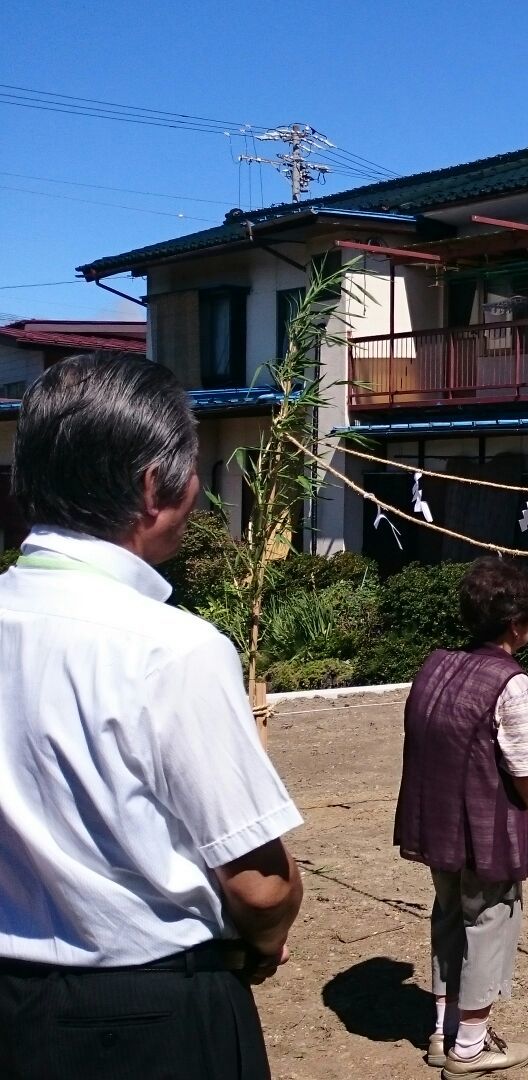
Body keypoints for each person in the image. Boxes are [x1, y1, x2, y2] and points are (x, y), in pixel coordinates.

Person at [0, 356, 303, 1080]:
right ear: (150, 486)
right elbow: (258, 881)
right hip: (149, 1011)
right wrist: (264, 941)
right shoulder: (172, 647)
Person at [393, 557, 528, 1077]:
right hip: (485, 823)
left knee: (448, 913)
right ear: (516, 623)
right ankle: (471, 1046)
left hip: (435, 819)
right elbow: (526, 770)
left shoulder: (435, 664)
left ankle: (443, 1028)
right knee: (490, 919)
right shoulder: (510, 681)